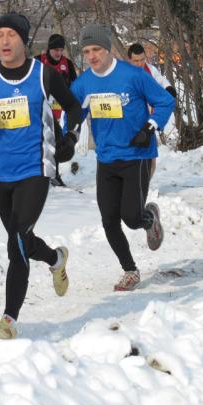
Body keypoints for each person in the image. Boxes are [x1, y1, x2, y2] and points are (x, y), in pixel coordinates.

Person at [0, 12, 82, 339]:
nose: (4, 41)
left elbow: (73, 106)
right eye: (0, 35)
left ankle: (9, 320)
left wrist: (69, 136)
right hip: (0, 173)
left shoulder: (43, 74)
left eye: (11, 35)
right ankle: (56, 258)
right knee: (23, 241)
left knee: (16, 242)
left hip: (36, 169)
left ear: (23, 41)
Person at [70, 23, 174, 291]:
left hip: (136, 154)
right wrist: (67, 136)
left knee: (131, 217)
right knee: (108, 220)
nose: (91, 56)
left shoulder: (133, 75)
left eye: (96, 49)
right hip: (106, 159)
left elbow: (165, 101)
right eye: (86, 51)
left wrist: (149, 127)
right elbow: (73, 115)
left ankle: (148, 218)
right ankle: (130, 271)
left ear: (108, 49)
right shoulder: (83, 84)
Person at [127, 42, 176, 178]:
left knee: (150, 155)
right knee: (130, 154)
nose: (140, 63)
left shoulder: (149, 69)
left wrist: (169, 89)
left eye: (142, 59)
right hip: (128, 120)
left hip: (148, 119)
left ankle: (146, 184)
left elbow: (160, 80)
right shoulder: (123, 73)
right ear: (129, 60)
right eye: (136, 61)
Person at [35, 33, 79, 187]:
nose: (58, 53)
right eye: (55, 50)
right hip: (39, 109)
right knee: (44, 141)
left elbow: (75, 85)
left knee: (58, 141)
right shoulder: (38, 61)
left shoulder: (67, 63)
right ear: (49, 49)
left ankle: (53, 173)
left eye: (61, 50)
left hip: (59, 108)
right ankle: (42, 174)